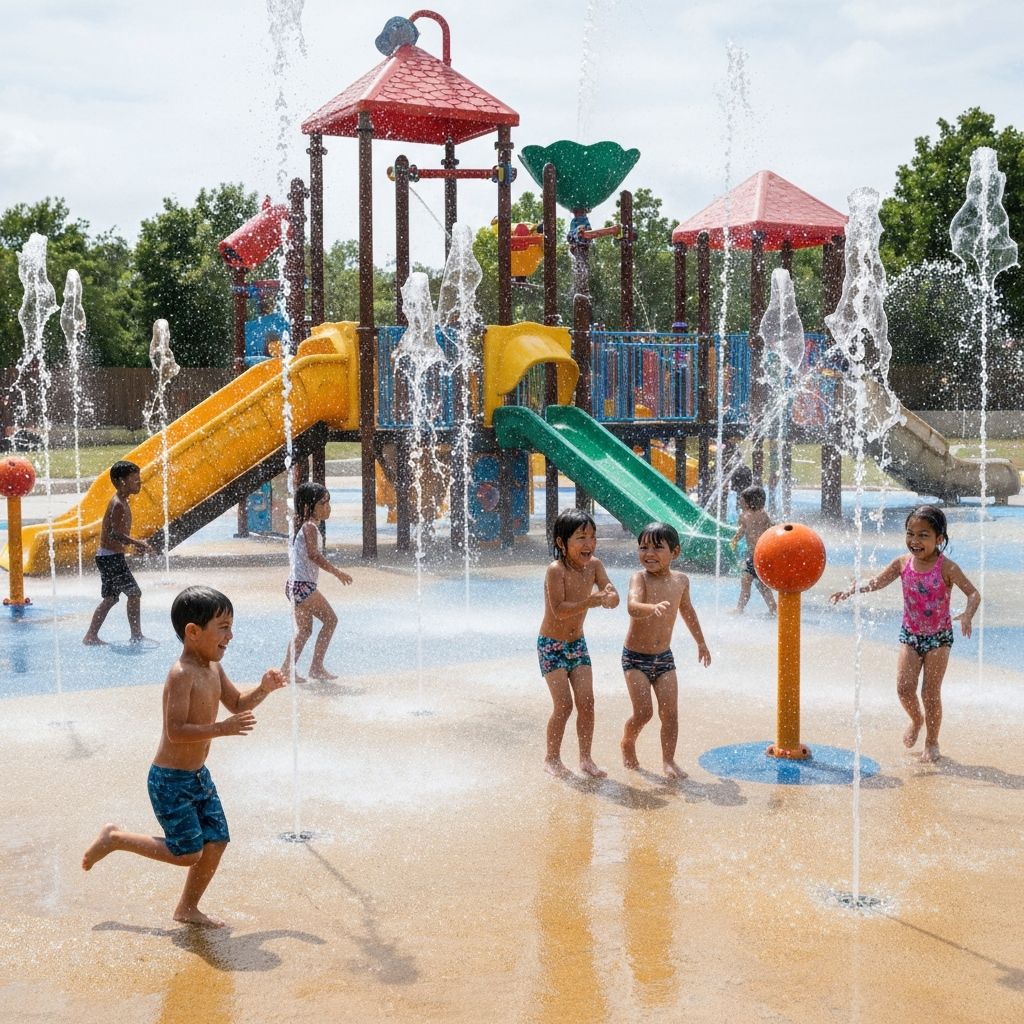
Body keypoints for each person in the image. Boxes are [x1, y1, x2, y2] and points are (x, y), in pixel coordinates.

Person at [81, 586, 286, 927]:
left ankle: (187, 908)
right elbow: (175, 731)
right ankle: (115, 838)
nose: (230, 636)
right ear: (193, 632)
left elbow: (237, 704)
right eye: (223, 627)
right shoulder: (181, 674)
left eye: (231, 627)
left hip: (197, 776)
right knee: (188, 851)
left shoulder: (213, 668)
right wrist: (222, 729)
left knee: (216, 840)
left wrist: (264, 688)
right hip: (170, 780)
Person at [830, 504, 980, 763]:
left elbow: (974, 593)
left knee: (930, 693)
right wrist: (852, 589)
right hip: (910, 635)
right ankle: (916, 719)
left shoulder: (947, 568)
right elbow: (877, 582)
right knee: (903, 689)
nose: (915, 541)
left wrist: (967, 615)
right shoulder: (902, 563)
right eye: (910, 534)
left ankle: (932, 742)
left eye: (923, 535)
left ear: (939, 539)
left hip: (939, 638)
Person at [620, 522, 711, 778]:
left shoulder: (681, 581)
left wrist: (701, 642)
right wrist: (651, 608)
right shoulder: (640, 578)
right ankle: (628, 741)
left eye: (657, 548)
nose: (649, 553)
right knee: (644, 713)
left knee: (670, 713)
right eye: (643, 547)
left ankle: (668, 761)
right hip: (635, 658)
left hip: (664, 658)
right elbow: (632, 606)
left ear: (675, 552)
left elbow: (688, 612)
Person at [537, 507, 619, 778]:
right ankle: (551, 758)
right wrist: (590, 602)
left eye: (592, 537)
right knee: (564, 705)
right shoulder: (556, 570)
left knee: (587, 702)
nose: (589, 544)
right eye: (581, 538)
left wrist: (610, 598)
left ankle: (585, 758)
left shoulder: (595, 566)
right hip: (552, 645)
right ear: (562, 542)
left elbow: (611, 593)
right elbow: (559, 610)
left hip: (577, 644)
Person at [281, 482, 353, 683]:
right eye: (323, 503)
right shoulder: (310, 527)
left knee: (304, 631)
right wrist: (337, 572)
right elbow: (314, 555)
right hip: (303, 586)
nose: (328, 507)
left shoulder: (307, 526)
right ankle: (316, 667)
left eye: (328, 502)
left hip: (295, 585)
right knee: (331, 620)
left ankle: (287, 669)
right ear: (308, 507)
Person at [83, 460, 153, 645]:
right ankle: (136, 635)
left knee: (111, 598)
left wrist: (133, 544)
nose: (139, 482)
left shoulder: (121, 501)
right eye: (135, 479)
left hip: (107, 556)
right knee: (134, 593)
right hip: (111, 558)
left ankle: (91, 636)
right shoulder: (118, 504)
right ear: (122, 482)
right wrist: (137, 543)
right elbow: (115, 534)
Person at [730, 484, 778, 615]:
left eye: (741, 500)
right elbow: (772, 528)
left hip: (756, 555)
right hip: (760, 555)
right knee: (758, 583)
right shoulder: (763, 515)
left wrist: (735, 539)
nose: (739, 502)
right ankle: (772, 608)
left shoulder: (745, 516)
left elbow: (742, 530)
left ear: (748, 502)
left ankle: (741, 608)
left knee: (749, 583)